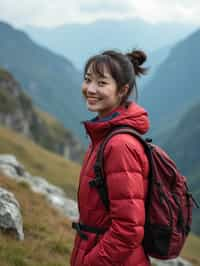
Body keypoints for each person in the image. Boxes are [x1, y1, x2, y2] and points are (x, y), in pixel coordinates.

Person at [70, 49, 150, 266]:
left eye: (102, 83)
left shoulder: (119, 146)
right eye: (88, 80)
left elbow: (128, 230)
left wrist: (90, 262)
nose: (91, 89)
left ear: (122, 90)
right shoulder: (103, 136)